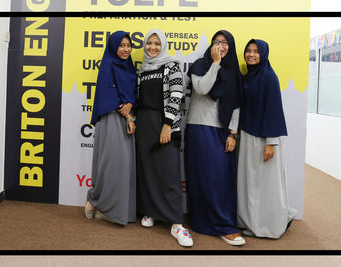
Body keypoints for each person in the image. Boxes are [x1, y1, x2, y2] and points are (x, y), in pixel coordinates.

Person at [185, 30, 245, 246]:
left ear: (231, 46)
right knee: (202, 178)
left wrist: (232, 133)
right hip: (199, 128)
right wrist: (215, 63)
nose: (221, 45)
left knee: (221, 180)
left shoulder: (234, 72)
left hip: (222, 130)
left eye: (225, 42)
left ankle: (224, 224)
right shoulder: (200, 65)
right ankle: (202, 222)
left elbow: (237, 105)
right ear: (211, 45)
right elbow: (202, 89)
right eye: (217, 42)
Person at [136, 29, 193, 247]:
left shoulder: (172, 65)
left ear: (164, 45)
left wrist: (167, 125)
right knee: (148, 171)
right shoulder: (142, 69)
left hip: (165, 124)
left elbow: (177, 95)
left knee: (169, 173)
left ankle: (177, 223)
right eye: (149, 43)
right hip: (144, 124)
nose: (152, 47)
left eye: (157, 43)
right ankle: (150, 211)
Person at [237, 39, 297, 239]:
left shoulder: (269, 77)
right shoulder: (248, 77)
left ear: (263, 54)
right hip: (247, 135)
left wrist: (271, 143)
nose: (251, 54)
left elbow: (273, 111)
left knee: (266, 185)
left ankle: (270, 224)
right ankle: (252, 222)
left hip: (264, 139)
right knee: (250, 183)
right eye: (248, 51)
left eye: (256, 51)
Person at [84, 31, 137, 225]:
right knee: (113, 165)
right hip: (112, 118)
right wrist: (129, 115)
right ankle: (96, 200)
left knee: (124, 167)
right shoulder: (108, 64)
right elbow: (110, 96)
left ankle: (104, 206)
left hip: (127, 119)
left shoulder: (129, 68)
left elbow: (131, 94)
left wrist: (131, 105)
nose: (125, 49)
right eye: (121, 45)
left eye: (128, 45)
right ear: (114, 46)